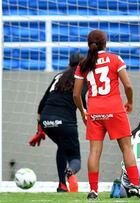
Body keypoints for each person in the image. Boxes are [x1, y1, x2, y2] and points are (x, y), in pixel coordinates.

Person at [73, 29, 140, 200]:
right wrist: (130, 102)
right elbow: (128, 86)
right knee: (127, 148)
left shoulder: (83, 64)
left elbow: (76, 95)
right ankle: (136, 186)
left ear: (89, 44)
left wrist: (83, 111)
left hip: (94, 111)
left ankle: (93, 190)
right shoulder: (115, 59)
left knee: (94, 152)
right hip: (115, 109)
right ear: (105, 43)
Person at [29, 52, 86, 192]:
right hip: (66, 122)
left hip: (46, 121)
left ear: (68, 65)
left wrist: (39, 130)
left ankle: (62, 185)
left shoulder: (58, 76)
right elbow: (82, 99)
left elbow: (41, 105)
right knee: (75, 158)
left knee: (62, 146)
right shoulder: (82, 78)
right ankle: (70, 172)